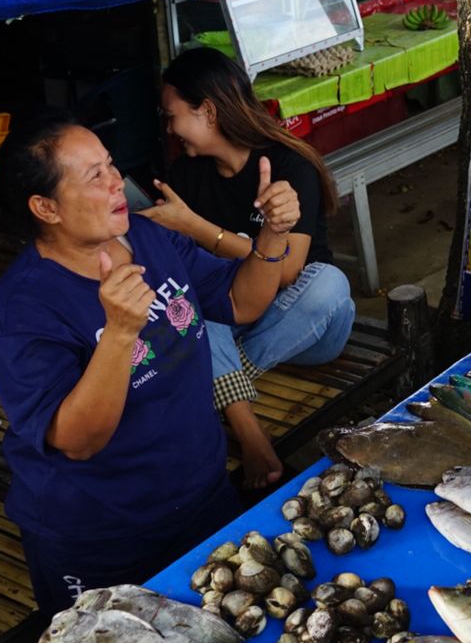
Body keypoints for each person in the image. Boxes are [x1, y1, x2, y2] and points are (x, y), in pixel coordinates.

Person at [0, 108, 300, 612]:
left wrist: (273, 234)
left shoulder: (149, 238)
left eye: (110, 165)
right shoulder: (22, 309)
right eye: (94, 176)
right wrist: (120, 333)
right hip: (104, 537)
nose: (115, 183)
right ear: (46, 208)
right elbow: (77, 441)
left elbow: (242, 302)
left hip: (203, 496)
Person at [141, 47, 355, 490]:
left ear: (208, 111)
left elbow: (289, 272)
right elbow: (188, 274)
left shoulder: (287, 165)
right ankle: (249, 431)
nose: (169, 128)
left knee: (330, 284)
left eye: (172, 115)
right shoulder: (186, 175)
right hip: (234, 317)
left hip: (306, 325)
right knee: (194, 302)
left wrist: (195, 227)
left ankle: (219, 379)